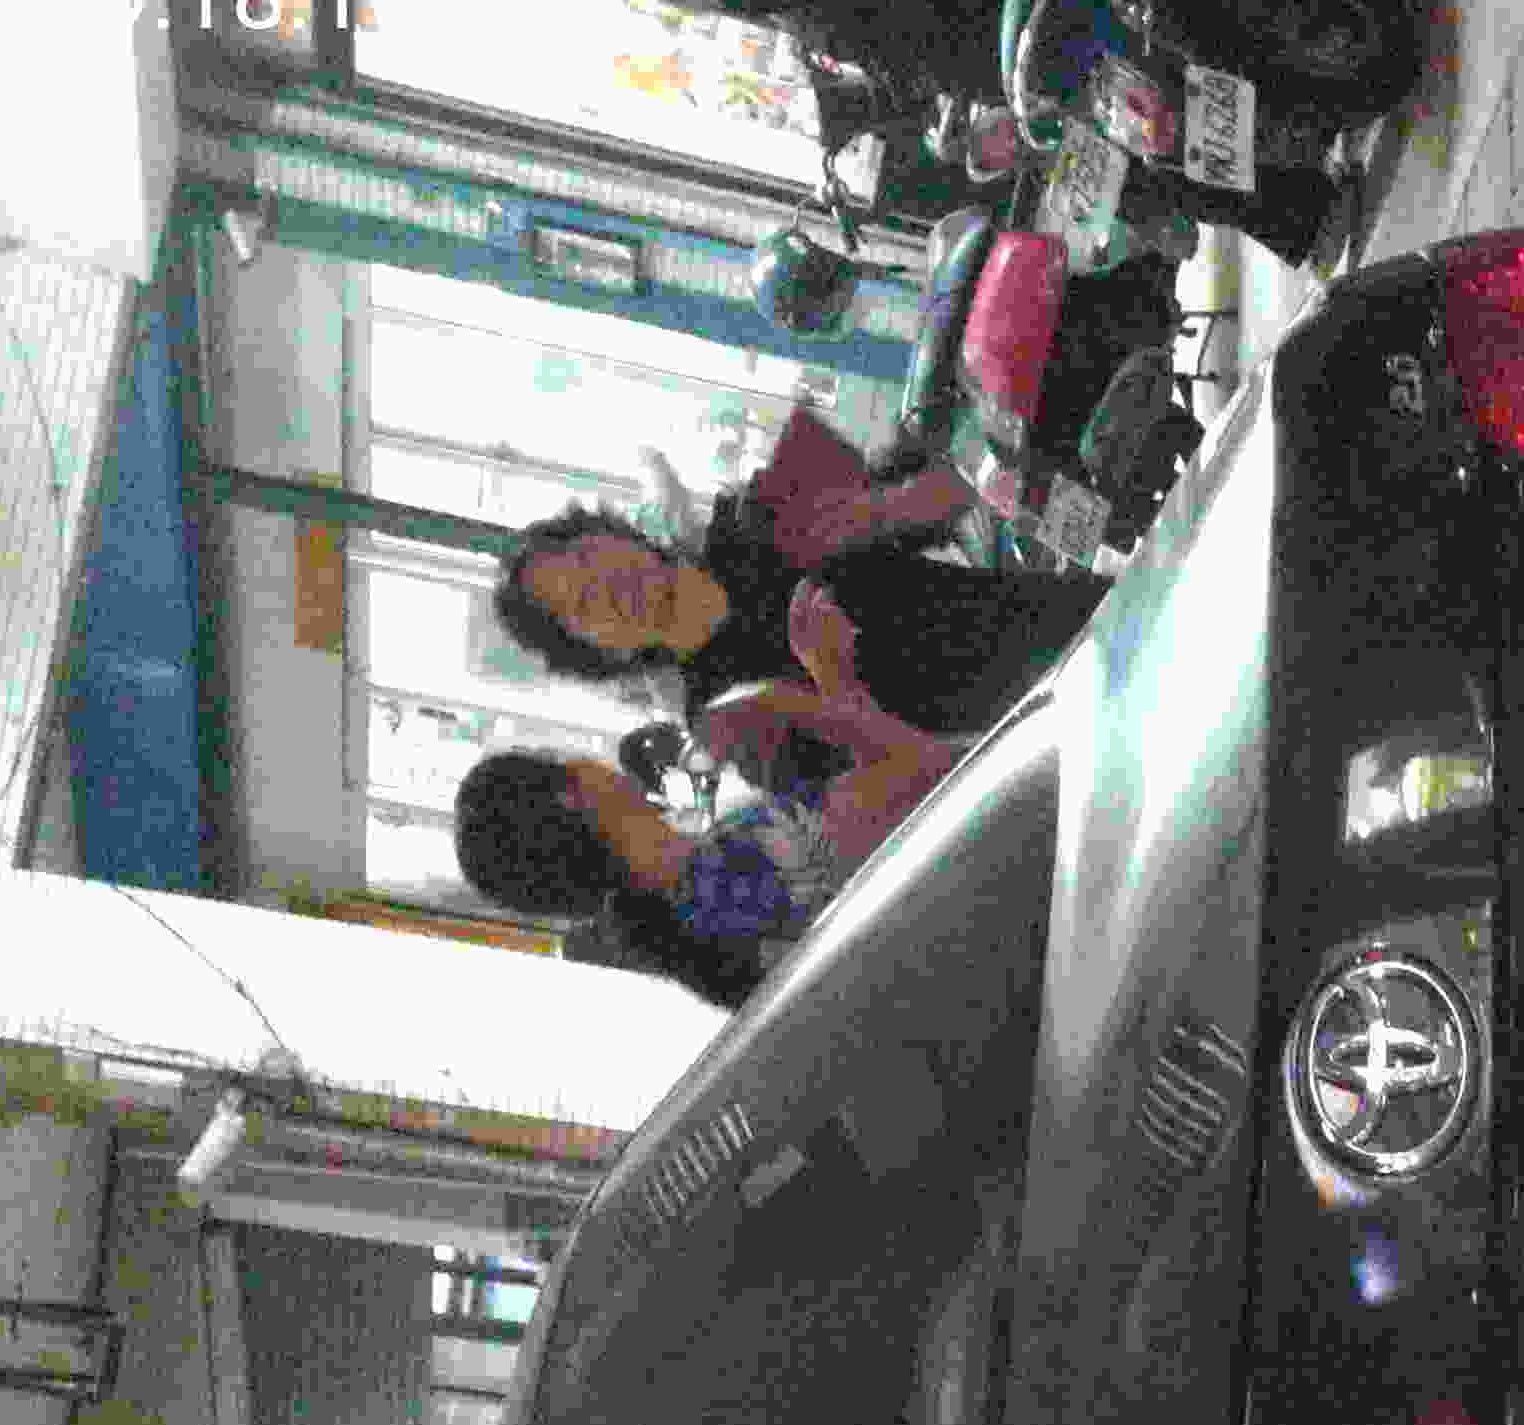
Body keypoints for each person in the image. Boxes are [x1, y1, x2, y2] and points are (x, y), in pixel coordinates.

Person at [454, 588, 964, 1006]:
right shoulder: (737, 875)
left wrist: (833, 682)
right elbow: (935, 777)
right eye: (563, 758)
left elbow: (886, 799)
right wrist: (785, 702)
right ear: (572, 796)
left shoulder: (702, 908)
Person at [491, 401, 1095, 742]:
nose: (603, 587)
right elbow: (898, 787)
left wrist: (1078, 503)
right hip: (1038, 734)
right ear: (600, 653)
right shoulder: (729, 718)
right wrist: (835, 682)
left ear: (608, 533)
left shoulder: (761, 513)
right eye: (580, 609)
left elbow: (943, 494)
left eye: (583, 560)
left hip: (1069, 618)